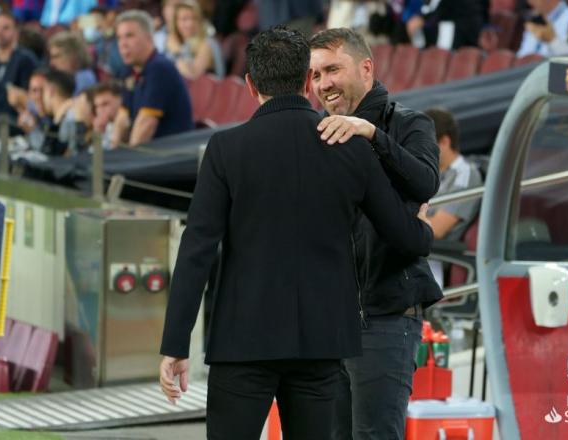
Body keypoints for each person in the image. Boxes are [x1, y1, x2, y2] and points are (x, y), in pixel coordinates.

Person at [158, 26, 435, 440]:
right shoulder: (349, 145)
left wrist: (175, 343)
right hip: (322, 345)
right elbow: (408, 238)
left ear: (250, 84)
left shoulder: (225, 149)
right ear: (308, 81)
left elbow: (196, 250)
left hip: (243, 341)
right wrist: (424, 230)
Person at [309, 28, 442, 440]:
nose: (323, 83)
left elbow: (425, 183)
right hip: (328, 320)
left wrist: (372, 136)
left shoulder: (408, 123)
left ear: (366, 67)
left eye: (332, 69)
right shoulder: (317, 133)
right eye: (314, 75)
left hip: (384, 316)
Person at [112, 9, 192, 146]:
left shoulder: (160, 68)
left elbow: (146, 123)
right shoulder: (129, 70)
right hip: (151, 152)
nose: (122, 44)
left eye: (129, 36)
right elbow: (122, 119)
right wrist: (111, 154)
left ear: (149, 37)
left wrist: (127, 163)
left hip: (172, 153)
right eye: (119, 37)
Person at [423, 108, 482, 288]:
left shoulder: (465, 175)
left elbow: (439, 228)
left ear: (444, 142)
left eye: (425, 143)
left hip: (435, 255)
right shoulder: (432, 171)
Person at [0, 11, 37, 141]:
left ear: (16, 33)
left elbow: (31, 97)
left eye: (6, 28)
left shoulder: (25, 60)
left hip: (14, 123)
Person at [403, 0, 486, 50]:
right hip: (446, 27)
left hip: (464, 33)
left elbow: (443, 10)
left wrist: (422, 20)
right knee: (415, 27)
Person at [165, 0, 215, 80]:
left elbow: (192, 76)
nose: (190, 24)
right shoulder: (174, 41)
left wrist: (177, 53)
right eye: (184, 19)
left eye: (194, 18)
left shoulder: (206, 44)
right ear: (176, 22)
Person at [91, 80, 122, 150]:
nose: (100, 110)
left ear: (120, 100)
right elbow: (95, 156)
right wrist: (98, 132)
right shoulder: (105, 126)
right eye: (97, 106)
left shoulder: (129, 121)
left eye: (105, 104)